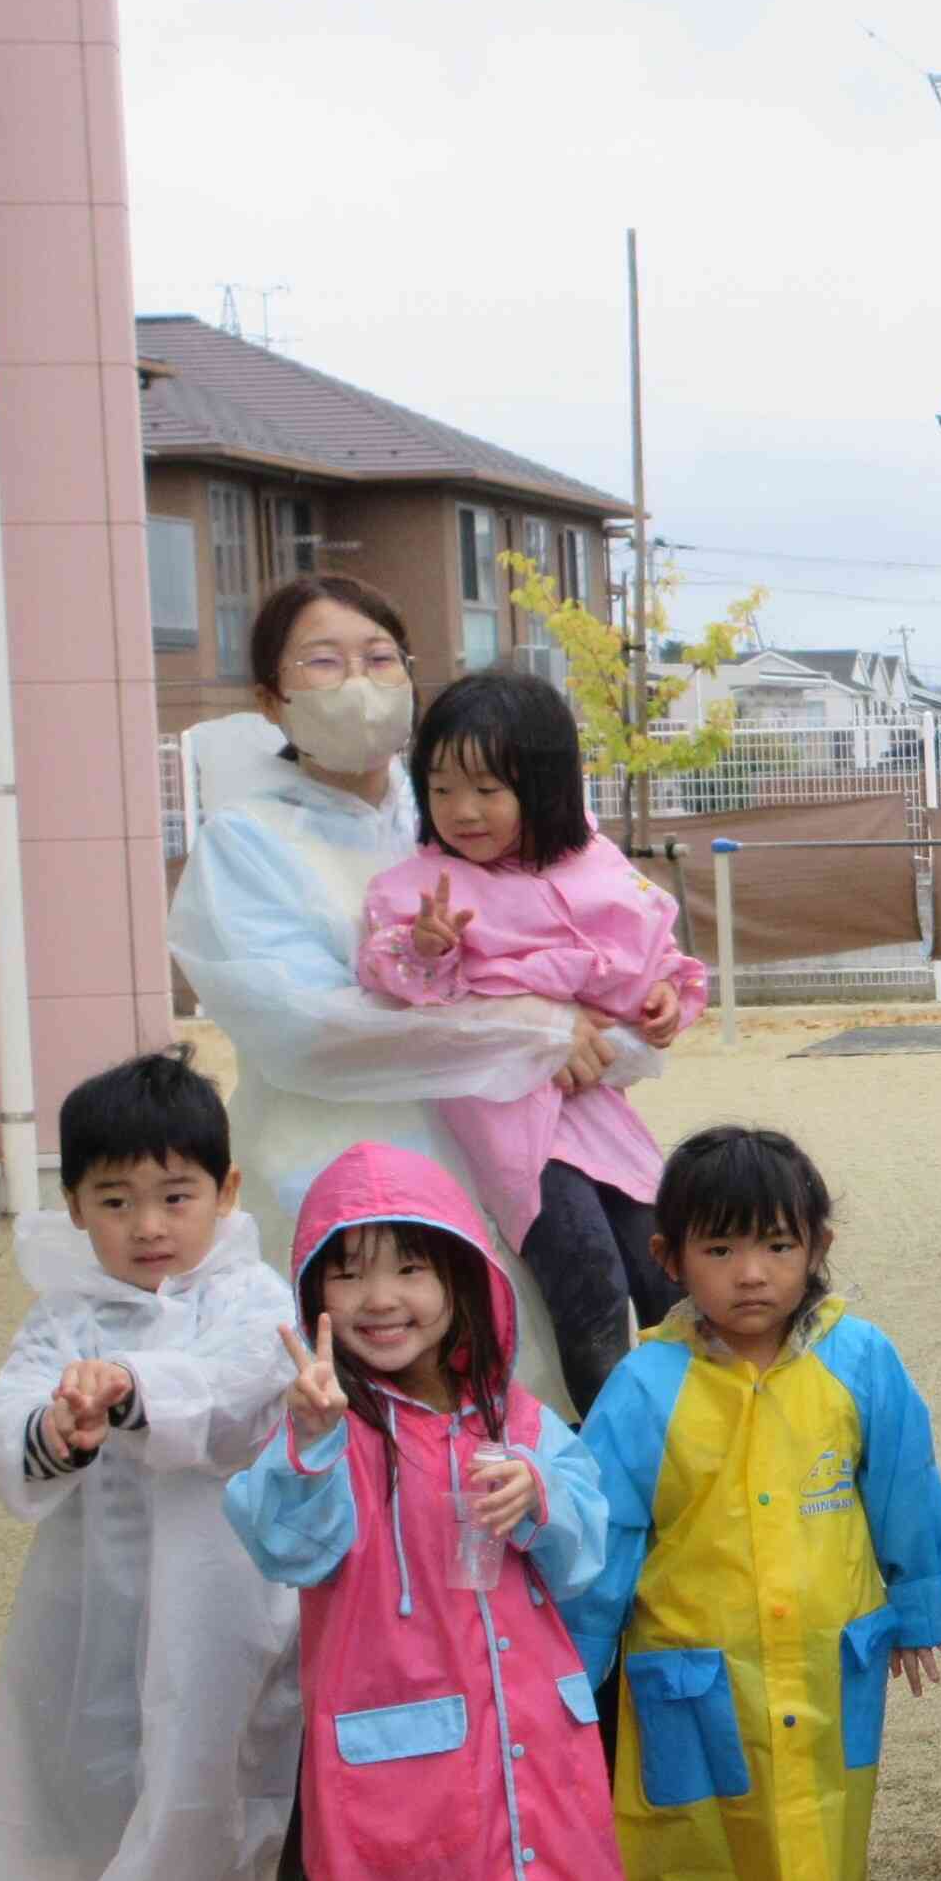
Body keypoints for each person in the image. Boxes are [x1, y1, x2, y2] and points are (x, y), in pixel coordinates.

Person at [180, 1145, 633, 1881]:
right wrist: (307, 1440)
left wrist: (541, 1498)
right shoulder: (327, 1429)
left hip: (519, 1727)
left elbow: (589, 1544)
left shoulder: (513, 1418)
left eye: (410, 1269)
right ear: (314, 1293)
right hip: (393, 1737)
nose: (381, 1300)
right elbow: (287, 1547)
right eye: (349, 1272)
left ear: (464, 1281)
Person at [165, 575, 675, 1403]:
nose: (360, 683)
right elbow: (308, 1031)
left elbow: (581, 947)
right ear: (270, 696)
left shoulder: (451, 801)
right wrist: (531, 1030)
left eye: (379, 657)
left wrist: (632, 1019)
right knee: (365, 1396)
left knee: (522, 1375)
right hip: (333, 1158)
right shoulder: (248, 840)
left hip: (499, 1144)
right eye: (324, 662)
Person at [565, 1127, 941, 1881]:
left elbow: (905, 1486)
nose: (752, 1275)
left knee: (831, 1836)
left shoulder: (857, 1360)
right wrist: (572, 1671)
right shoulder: (645, 1386)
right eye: (721, 1249)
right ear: (668, 1257)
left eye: (779, 1247)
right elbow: (603, 1533)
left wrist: (920, 1607)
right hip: (688, 1674)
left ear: (817, 1245)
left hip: (830, 1665)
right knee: (683, 1850)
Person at [0, 1051, 300, 1881]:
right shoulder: (65, 1316)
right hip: (100, 1601)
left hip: (231, 1598)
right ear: (76, 1208)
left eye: (175, 1196)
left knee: (235, 1780)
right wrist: (53, 1428)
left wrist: (131, 1390)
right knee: (111, 1779)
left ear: (226, 1192)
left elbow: (250, 1388)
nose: (148, 1225)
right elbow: (5, 1415)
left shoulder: (253, 1294)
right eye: (115, 1201)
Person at [357, 670, 707, 1418]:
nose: (462, 810)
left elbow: (655, 957)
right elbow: (400, 976)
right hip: (515, 1121)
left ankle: (697, 1421)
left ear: (543, 786)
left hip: (597, 1112)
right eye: (442, 788)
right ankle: (612, 1448)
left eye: (487, 788)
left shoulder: (592, 864)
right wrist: (427, 946)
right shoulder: (426, 885)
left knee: (664, 1264)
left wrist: (668, 998)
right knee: (585, 1272)